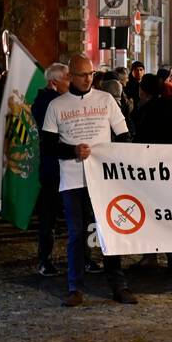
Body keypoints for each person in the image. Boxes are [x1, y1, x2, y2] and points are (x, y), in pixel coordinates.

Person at [40, 54, 137, 307]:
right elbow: (48, 146)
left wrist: (110, 154)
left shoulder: (105, 100)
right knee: (76, 234)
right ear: (70, 76)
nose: (88, 79)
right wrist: (72, 151)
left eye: (91, 74)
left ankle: (119, 285)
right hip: (72, 180)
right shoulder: (57, 106)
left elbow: (125, 136)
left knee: (110, 231)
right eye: (83, 75)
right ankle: (75, 287)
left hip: (104, 180)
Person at [30, 63, 69, 276]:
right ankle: (45, 259)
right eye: (67, 79)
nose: (70, 83)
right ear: (54, 82)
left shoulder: (53, 100)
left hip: (61, 166)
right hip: (53, 167)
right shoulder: (47, 104)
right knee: (49, 216)